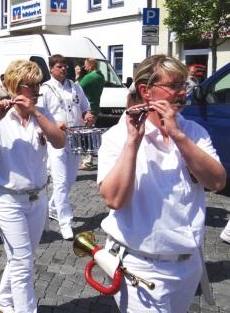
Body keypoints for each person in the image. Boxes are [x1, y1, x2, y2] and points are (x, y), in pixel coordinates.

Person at [97, 54, 226, 312]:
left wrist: (177, 135)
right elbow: (114, 199)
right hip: (141, 266)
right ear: (146, 91)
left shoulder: (193, 132)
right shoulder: (118, 136)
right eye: (174, 86)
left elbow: (218, 181)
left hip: (188, 264)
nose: (182, 93)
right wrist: (133, 143)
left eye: (184, 85)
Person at [0, 59, 65, 313]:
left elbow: (60, 142)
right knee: (23, 264)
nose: (36, 90)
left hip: (38, 199)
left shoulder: (41, 114)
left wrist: (36, 113)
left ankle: (3, 303)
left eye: (37, 85)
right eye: (30, 85)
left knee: (21, 258)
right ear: (14, 86)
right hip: (8, 200)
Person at [39, 54, 94, 240]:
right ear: (51, 68)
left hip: (76, 137)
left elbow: (85, 106)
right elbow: (40, 115)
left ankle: (53, 207)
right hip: (56, 139)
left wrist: (87, 114)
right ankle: (65, 222)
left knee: (70, 179)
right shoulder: (45, 89)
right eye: (59, 66)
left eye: (65, 66)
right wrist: (54, 125)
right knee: (60, 181)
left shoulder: (75, 86)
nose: (63, 69)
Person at [78, 58, 105, 170]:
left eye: (85, 65)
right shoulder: (101, 76)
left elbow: (76, 87)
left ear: (91, 65)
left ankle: (87, 161)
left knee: (86, 135)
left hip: (88, 108)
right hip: (95, 107)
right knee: (90, 133)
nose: (84, 67)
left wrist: (78, 75)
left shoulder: (89, 77)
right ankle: (88, 160)